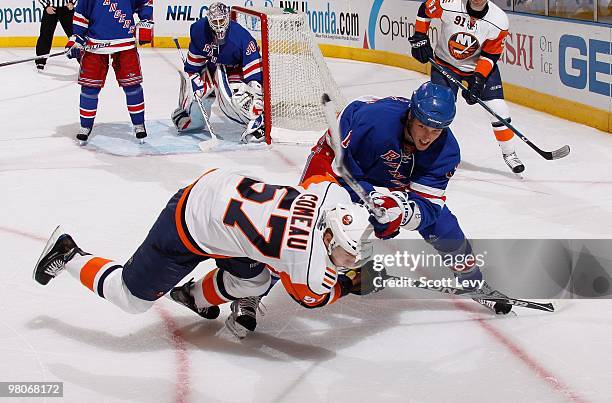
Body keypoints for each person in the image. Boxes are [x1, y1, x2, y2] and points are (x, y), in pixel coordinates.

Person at [33, 168, 373, 339]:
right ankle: (69, 252)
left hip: (221, 187)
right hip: (188, 225)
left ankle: (194, 296)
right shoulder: (311, 269)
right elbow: (313, 297)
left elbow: (319, 178)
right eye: (346, 255)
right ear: (328, 237)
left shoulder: (332, 197)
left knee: (257, 278)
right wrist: (349, 284)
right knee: (130, 299)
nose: (351, 263)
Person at [298, 81, 512, 315]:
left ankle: (473, 282)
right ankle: (255, 286)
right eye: (422, 126)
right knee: (303, 221)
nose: (427, 137)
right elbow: (345, 175)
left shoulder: (446, 151)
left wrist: (399, 212)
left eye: (436, 130)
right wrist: (371, 199)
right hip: (337, 161)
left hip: (392, 173)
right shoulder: (373, 122)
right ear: (410, 115)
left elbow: (428, 206)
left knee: (444, 227)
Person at [408, 0, 525, 174]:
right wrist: (420, 37)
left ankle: (509, 153)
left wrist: (478, 78)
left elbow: (490, 54)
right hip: (445, 63)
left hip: (478, 67)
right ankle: (430, 154)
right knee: (438, 111)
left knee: (498, 108)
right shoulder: (449, 3)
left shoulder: (499, 20)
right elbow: (425, 10)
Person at [171, 2, 266, 143]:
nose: (219, 25)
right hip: (212, 67)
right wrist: (196, 82)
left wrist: (255, 94)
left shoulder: (241, 37)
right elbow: (192, 66)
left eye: (221, 21)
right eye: (214, 21)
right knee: (198, 94)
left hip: (236, 69)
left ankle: (258, 121)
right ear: (208, 20)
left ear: (227, 18)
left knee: (237, 97)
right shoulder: (199, 30)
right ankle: (193, 117)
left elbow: (255, 73)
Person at [65, 0, 153, 144]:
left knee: (132, 86)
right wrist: (77, 39)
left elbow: (145, 2)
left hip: (125, 43)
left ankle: (138, 124)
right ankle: (85, 126)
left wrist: (145, 21)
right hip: (95, 44)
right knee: (89, 88)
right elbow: (81, 15)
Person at [35, 0, 75, 71]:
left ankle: (84, 61)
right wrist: (46, 6)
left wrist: (73, 3)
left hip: (67, 8)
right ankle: (40, 60)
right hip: (50, 8)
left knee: (74, 36)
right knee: (45, 35)